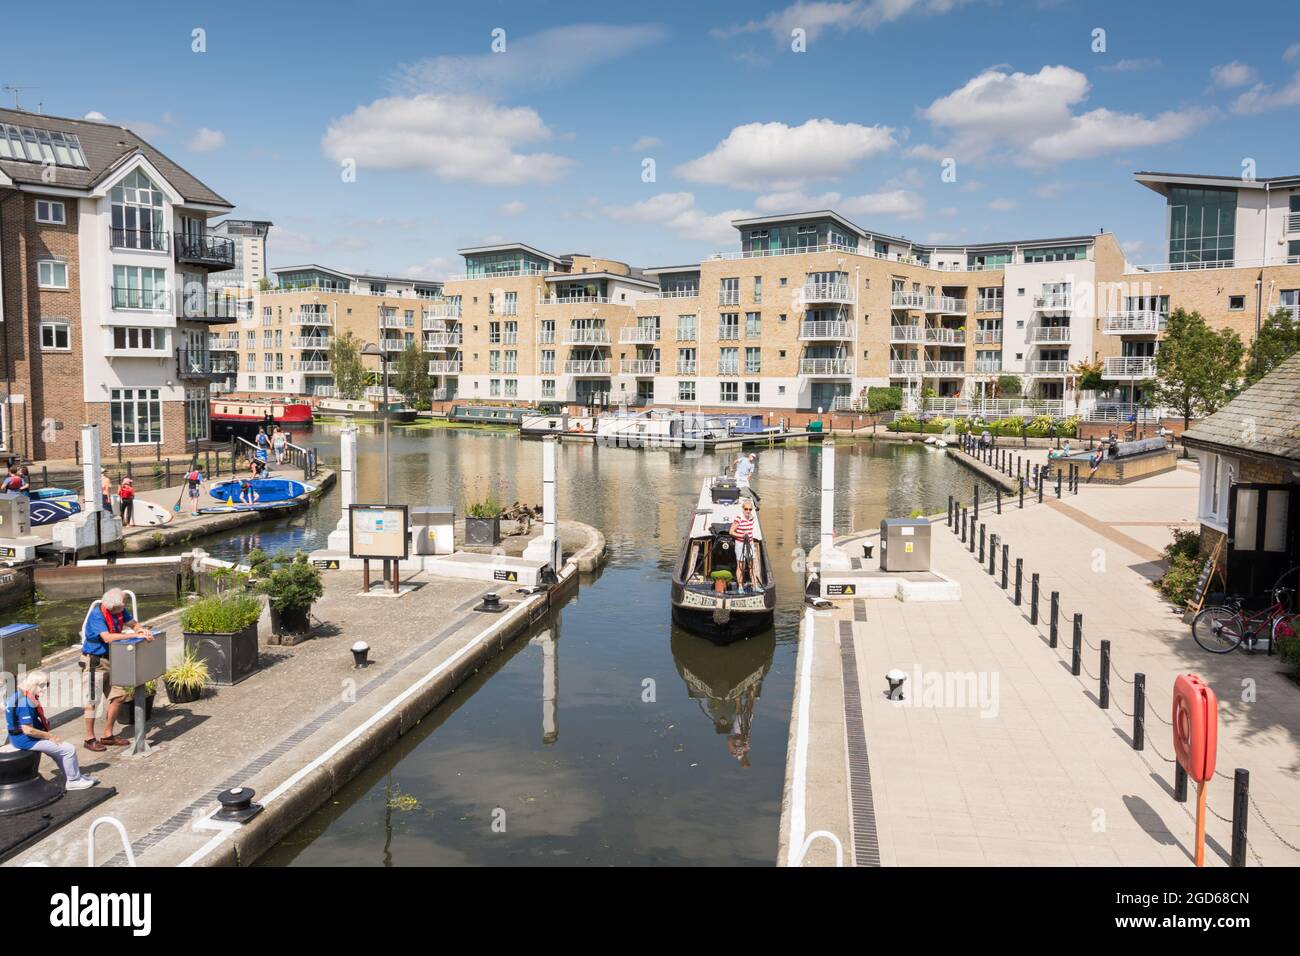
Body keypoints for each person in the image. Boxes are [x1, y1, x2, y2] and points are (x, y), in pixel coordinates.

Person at [81, 588, 154, 752]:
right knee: (92, 700)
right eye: (120, 608)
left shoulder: (119, 609)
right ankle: (89, 738)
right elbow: (107, 637)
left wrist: (139, 629)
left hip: (113, 658)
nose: (124, 609)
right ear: (110, 607)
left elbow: (133, 623)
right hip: (95, 661)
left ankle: (107, 734)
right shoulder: (97, 615)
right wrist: (134, 636)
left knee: (120, 695)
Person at [5, 671, 98, 790]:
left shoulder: (19, 695)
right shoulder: (25, 702)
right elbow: (28, 730)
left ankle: (75, 776)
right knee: (68, 749)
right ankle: (73, 781)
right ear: (34, 684)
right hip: (25, 740)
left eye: (47, 685)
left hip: (18, 737)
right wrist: (49, 735)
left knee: (58, 750)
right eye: (44, 685)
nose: (45, 689)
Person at [729, 498, 759, 594]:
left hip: (749, 543)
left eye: (750, 509)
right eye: (746, 509)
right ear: (743, 509)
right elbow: (731, 532)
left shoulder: (752, 518)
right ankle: (740, 587)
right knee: (741, 566)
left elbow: (751, 532)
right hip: (740, 544)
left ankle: (755, 586)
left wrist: (751, 541)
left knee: (751, 566)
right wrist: (742, 535)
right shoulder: (739, 518)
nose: (748, 511)